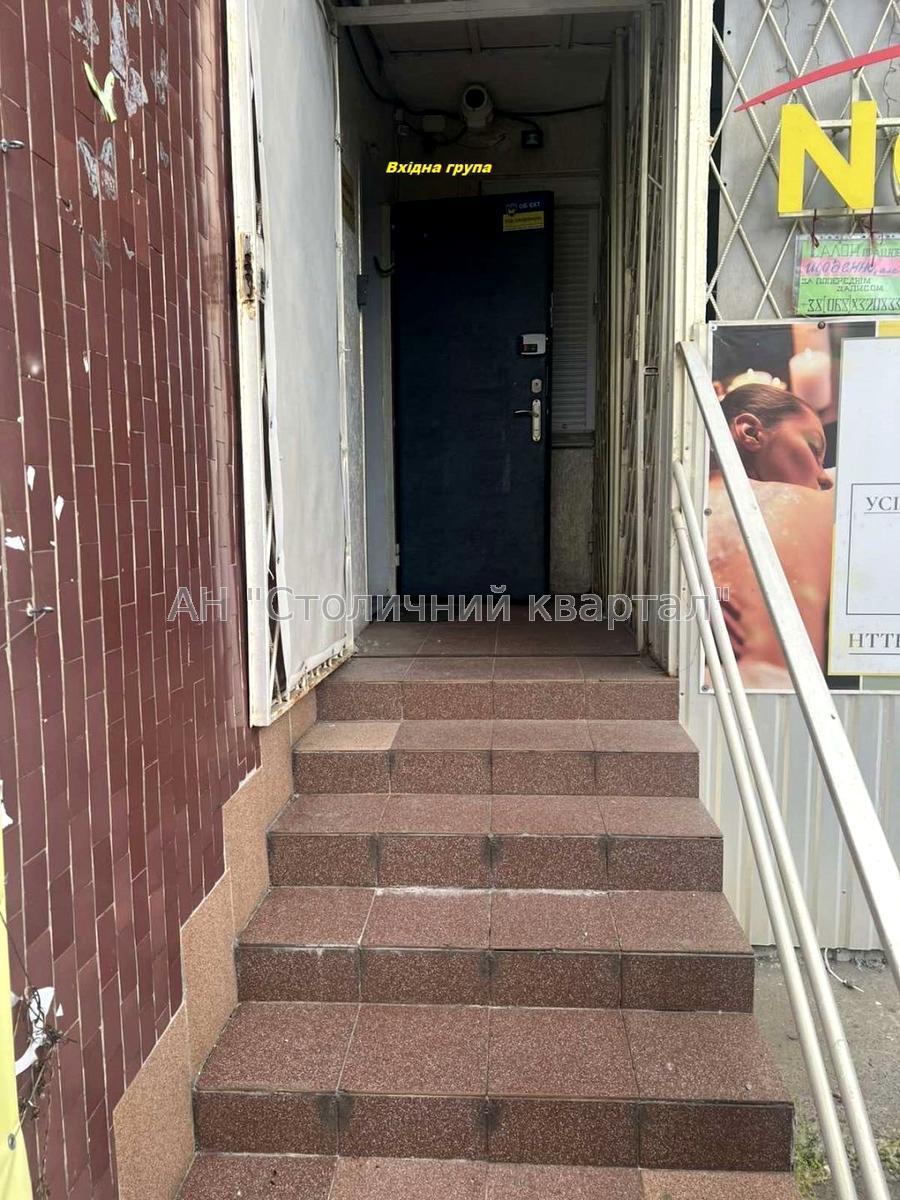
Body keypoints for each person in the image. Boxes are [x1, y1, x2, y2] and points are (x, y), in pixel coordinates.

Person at [707, 383, 835, 688]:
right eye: (813, 448)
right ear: (750, 432)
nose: (824, 477)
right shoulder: (808, 505)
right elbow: (776, 679)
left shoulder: (680, 505)